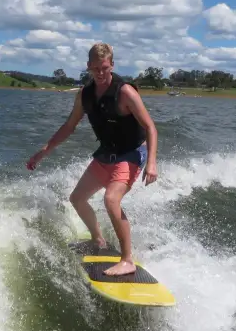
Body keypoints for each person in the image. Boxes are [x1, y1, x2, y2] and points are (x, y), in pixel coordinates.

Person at [26, 42, 158, 276]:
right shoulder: (85, 94)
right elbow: (69, 126)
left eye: (104, 68)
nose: (100, 73)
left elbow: (150, 127)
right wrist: (44, 150)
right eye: (95, 68)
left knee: (110, 199)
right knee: (77, 198)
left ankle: (127, 259)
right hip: (107, 153)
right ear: (88, 67)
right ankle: (99, 241)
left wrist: (152, 163)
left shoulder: (125, 92)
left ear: (112, 65)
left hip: (131, 153)